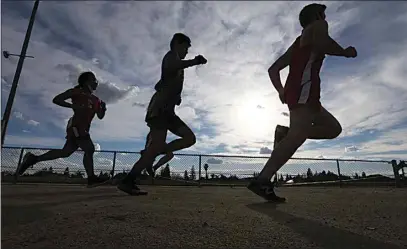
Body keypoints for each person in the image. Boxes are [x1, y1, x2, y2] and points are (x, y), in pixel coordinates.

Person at [247, 3, 357, 201]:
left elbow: (273, 69)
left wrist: (281, 90)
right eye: (323, 14)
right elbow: (324, 43)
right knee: (297, 137)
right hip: (302, 91)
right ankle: (262, 180)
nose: (325, 18)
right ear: (316, 15)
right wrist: (345, 52)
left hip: (308, 94)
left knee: (333, 129)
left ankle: (285, 133)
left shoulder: (299, 42)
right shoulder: (317, 26)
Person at [117, 33, 207, 195]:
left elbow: (164, 80)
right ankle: (128, 180)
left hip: (168, 112)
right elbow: (173, 67)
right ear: (178, 44)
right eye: (186, 47)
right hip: (159, 111)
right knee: (158, 145)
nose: (187, 51)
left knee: (189, 138)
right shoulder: (171, 56)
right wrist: (195, 61)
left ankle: (152, 153)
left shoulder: (176, 63)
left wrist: (175, 95)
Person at [15, 71, 109, 188]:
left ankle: (33, 158)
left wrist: (103, 109)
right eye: (93, 79)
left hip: (84, 128)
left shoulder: (96, 100)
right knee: (89, 149)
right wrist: (72, 106)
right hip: (76, 126)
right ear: (86, 82)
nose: (96, 82)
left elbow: (100, 116)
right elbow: (57, 99)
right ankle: (91, 178)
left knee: (65, 153)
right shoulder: (76, 92)